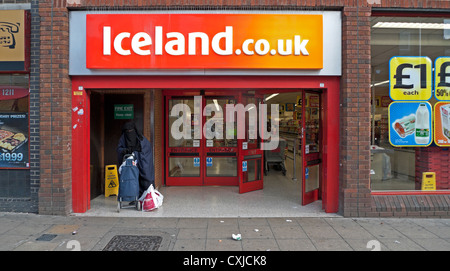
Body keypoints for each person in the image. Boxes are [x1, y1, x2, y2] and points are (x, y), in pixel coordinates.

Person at [117, 121, 154, 198]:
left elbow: (146, 150)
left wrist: (138, 154)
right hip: (131, 164)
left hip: (143, 162)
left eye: (131, 131)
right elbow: (119, 149)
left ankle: (148, 196)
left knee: (146, 176)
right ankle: (136, 197)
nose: (129, 133)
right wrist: (125, 151)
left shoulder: (141, 139)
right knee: (133, 178)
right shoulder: (123, 138)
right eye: (127, 131)